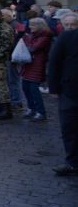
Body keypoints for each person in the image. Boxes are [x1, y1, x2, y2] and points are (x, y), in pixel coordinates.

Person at [48, 28, 78, 176]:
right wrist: (53, 88)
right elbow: (54, 61)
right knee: (69, 128)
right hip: (70, 91)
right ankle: (72, 162)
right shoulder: (68, 36)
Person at [20, 18, 52, 122]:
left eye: (33, 25)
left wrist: (26, 40)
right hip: (28, 64)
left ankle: (40, 112)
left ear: (40, 26)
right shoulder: (32, 35)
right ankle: (31, 108)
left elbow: (33, 48)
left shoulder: (45, 36)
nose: (30, 27)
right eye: (30, 25)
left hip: (37, 65)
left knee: (34, 90)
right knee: (25, 88)